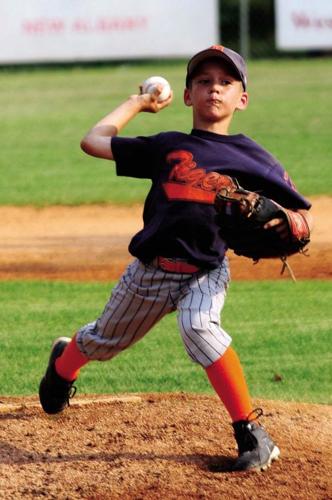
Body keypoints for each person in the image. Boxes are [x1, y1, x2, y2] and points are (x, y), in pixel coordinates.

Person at [39, 45, 313, 472]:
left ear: (242, 98)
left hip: (206, 269)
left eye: (225, 82)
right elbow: (93, 142)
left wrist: (293, 225)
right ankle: (63, 363)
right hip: (150, 273)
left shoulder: (254, 158)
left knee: (200, 326)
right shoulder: (169, 146)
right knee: (101, 341)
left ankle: (252, 433)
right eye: (203, 81)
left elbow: (298, 215)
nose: (214, 89)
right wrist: (139, 102)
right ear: (188, 96)